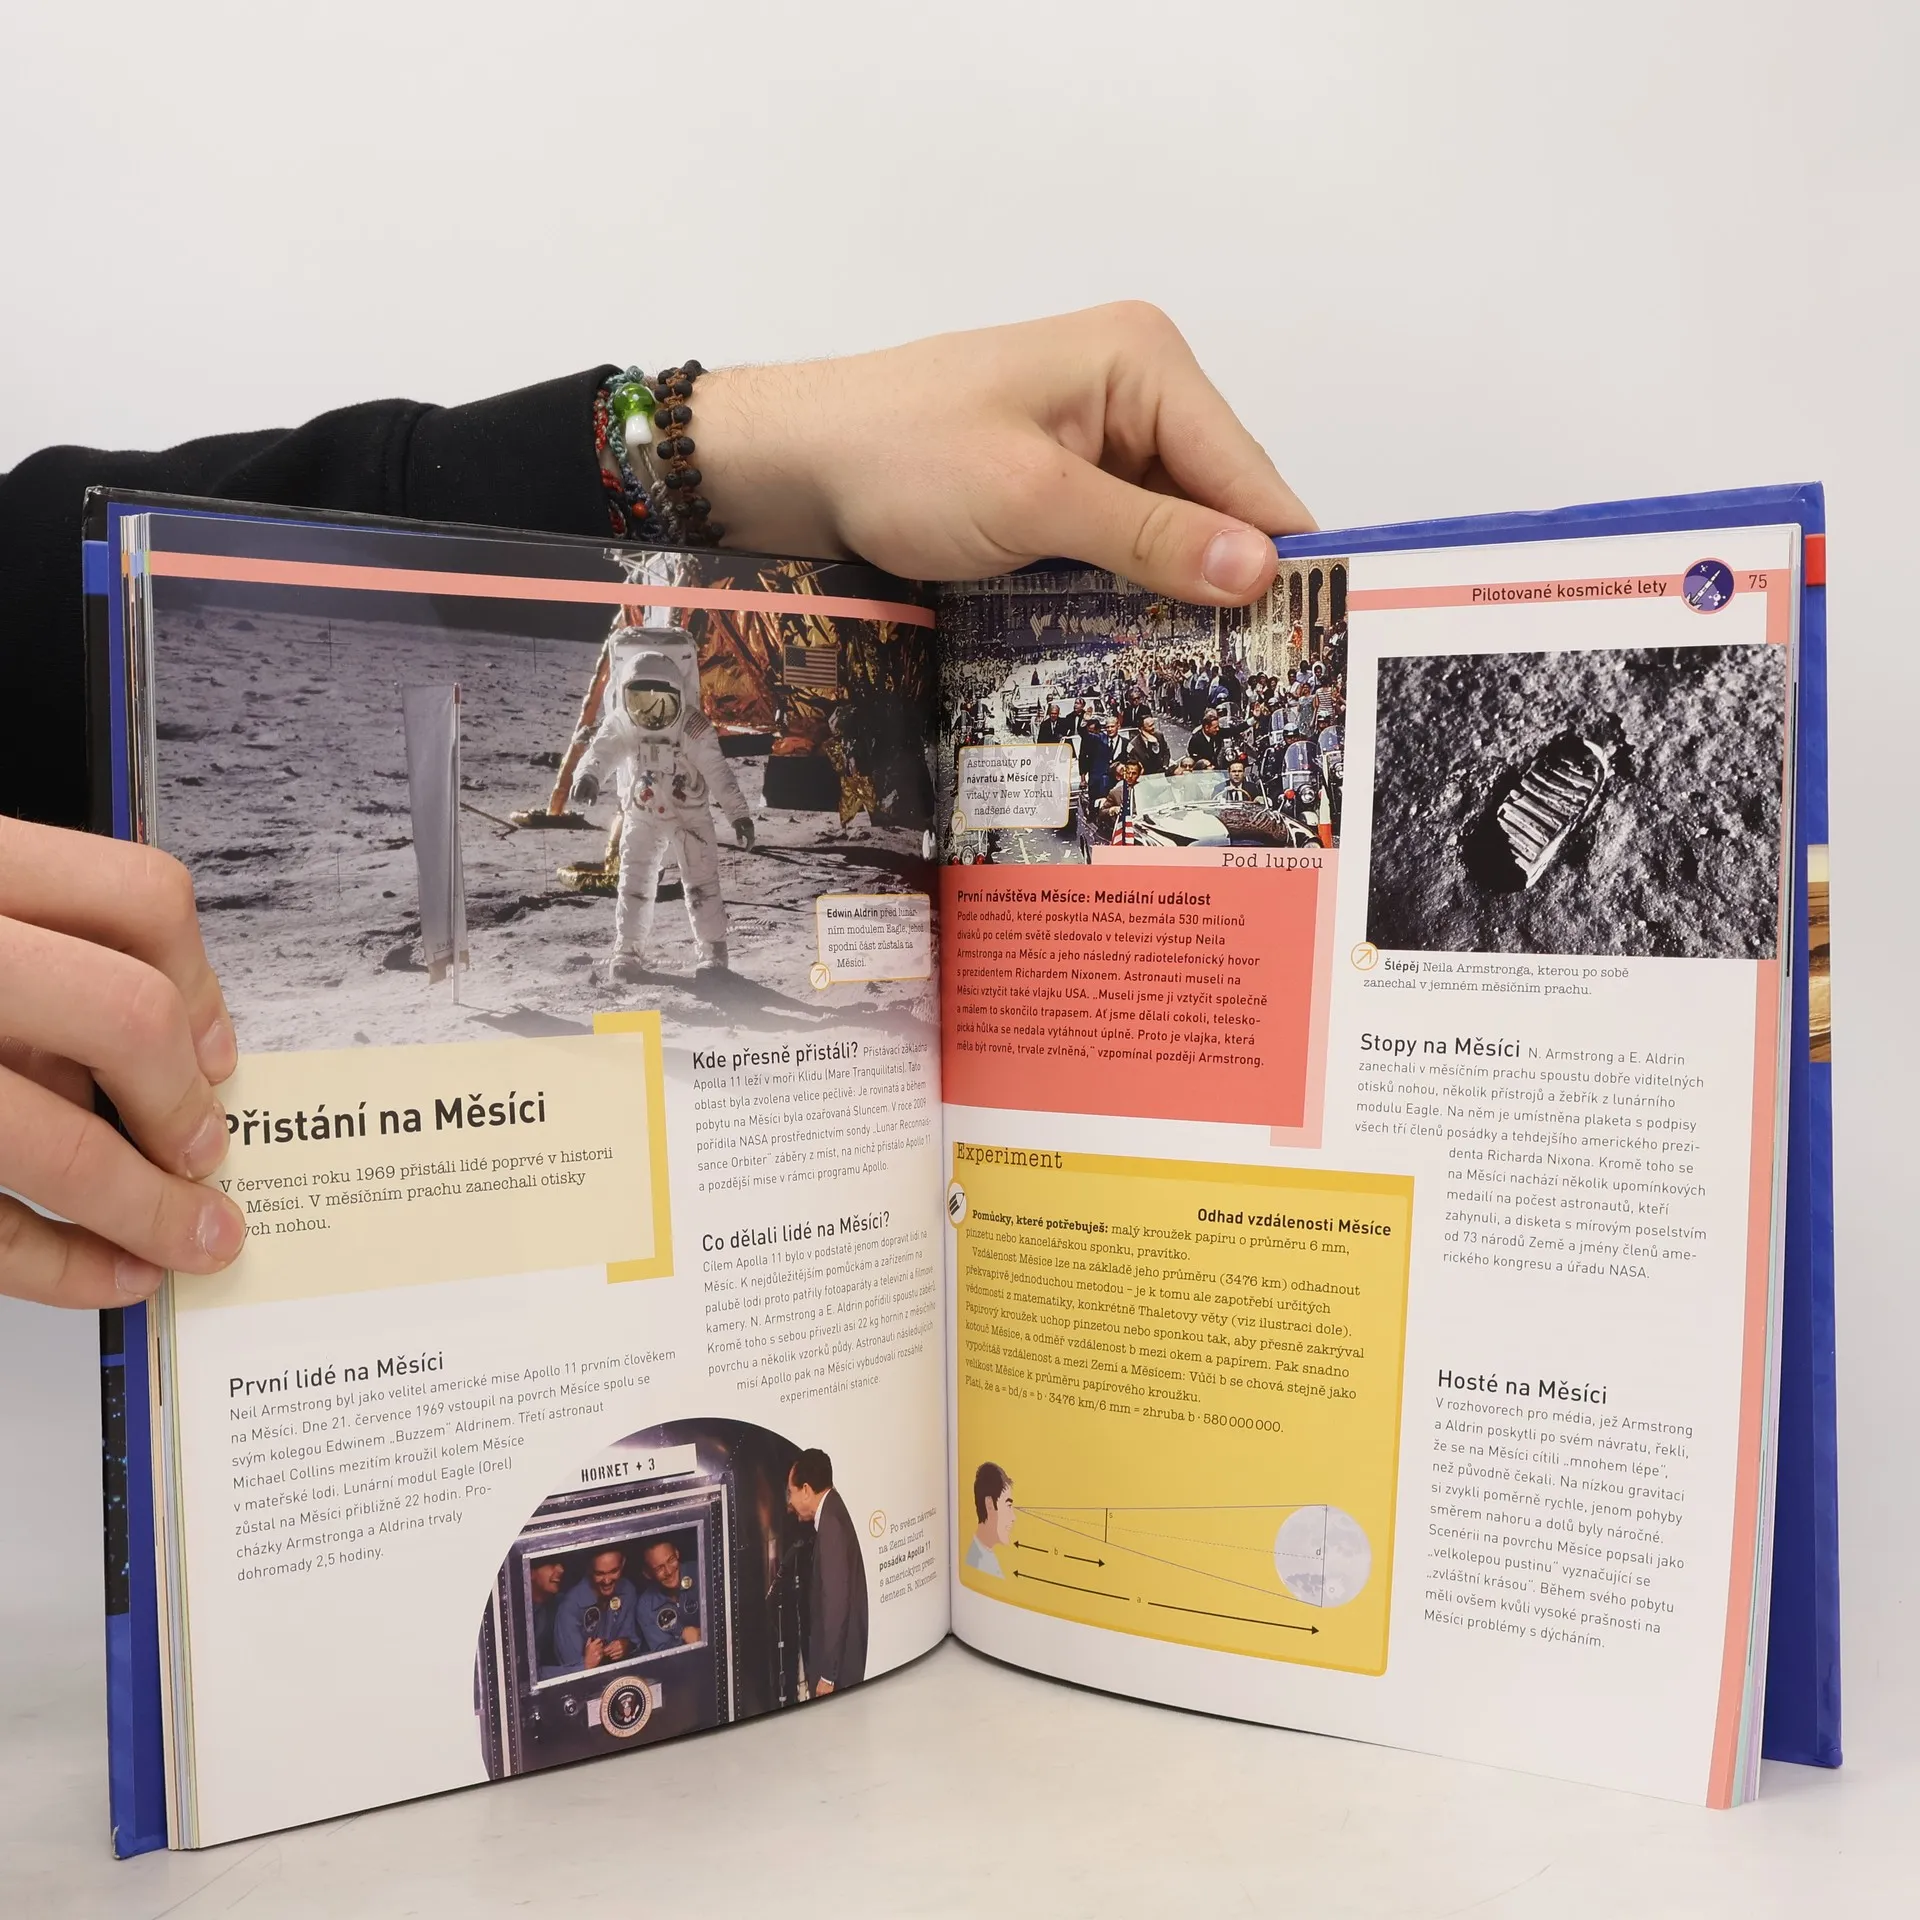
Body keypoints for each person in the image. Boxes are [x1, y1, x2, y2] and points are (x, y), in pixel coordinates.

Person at [0, 303, 1313, 1311]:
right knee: (643, 892)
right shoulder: (640, 702)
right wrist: (588, 792)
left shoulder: (671, 695)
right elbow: (599, 755)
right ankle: (644, 956)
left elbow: (70, 562)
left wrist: (709, 450)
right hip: (625, 843)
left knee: (699, 889)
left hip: (680, 809)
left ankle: (695, 951)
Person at [568, 650, 752, 978]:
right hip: (645, 811)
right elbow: (602, 750)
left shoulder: (692, 726)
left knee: (701, 883)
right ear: (627, 698)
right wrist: (588, 776)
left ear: (678, 696)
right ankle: (627, 951)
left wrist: (738, 814)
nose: (651, 712)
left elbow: (717, 771)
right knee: (634, 881)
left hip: (688, 816)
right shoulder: (624, 722)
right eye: (640, 701)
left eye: (661, 702)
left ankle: (712, 952)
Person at [786, 1448, 868, 1696]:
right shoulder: (836, 1508)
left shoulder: (831, 1524)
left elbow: (835, 1602)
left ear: (806, 1490)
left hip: (840, 1672)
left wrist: (827, 1677)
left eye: (791, 1493)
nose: (790, 1503)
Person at [554, 1548, 644, 1670]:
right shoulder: (569, 1608)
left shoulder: (628, 1591)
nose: (607, 1581)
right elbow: (570, 1669)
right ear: (589, 1569)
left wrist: (626, 1645)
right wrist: (586, 1663)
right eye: (599, 1574)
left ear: (623, 1563)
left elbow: (633, 1639)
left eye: (614, 1571)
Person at [633, 1537, 703, 1651]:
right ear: (647, 1573)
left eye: (671, 1560)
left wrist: (701, 1633)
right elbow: (662, 1652)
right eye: (659, 1568)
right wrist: (683, 1640)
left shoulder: (702, 1571)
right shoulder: (645, 1606)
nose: (669, 1571)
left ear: (677, 1553)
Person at [967, 1463, 1015, 1577]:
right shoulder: (977, 1562)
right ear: (989, 1504)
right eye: (1008, 1506)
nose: (1013, 1517)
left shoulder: (987, 1558)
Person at [528, 1556, 568, 1679]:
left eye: (560, 1564)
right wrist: (583, 1667)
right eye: (551, 1564)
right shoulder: (518, 1617)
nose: (561, 1569)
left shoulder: (564, 1604)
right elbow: (531, 1675)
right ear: (530, 1573)